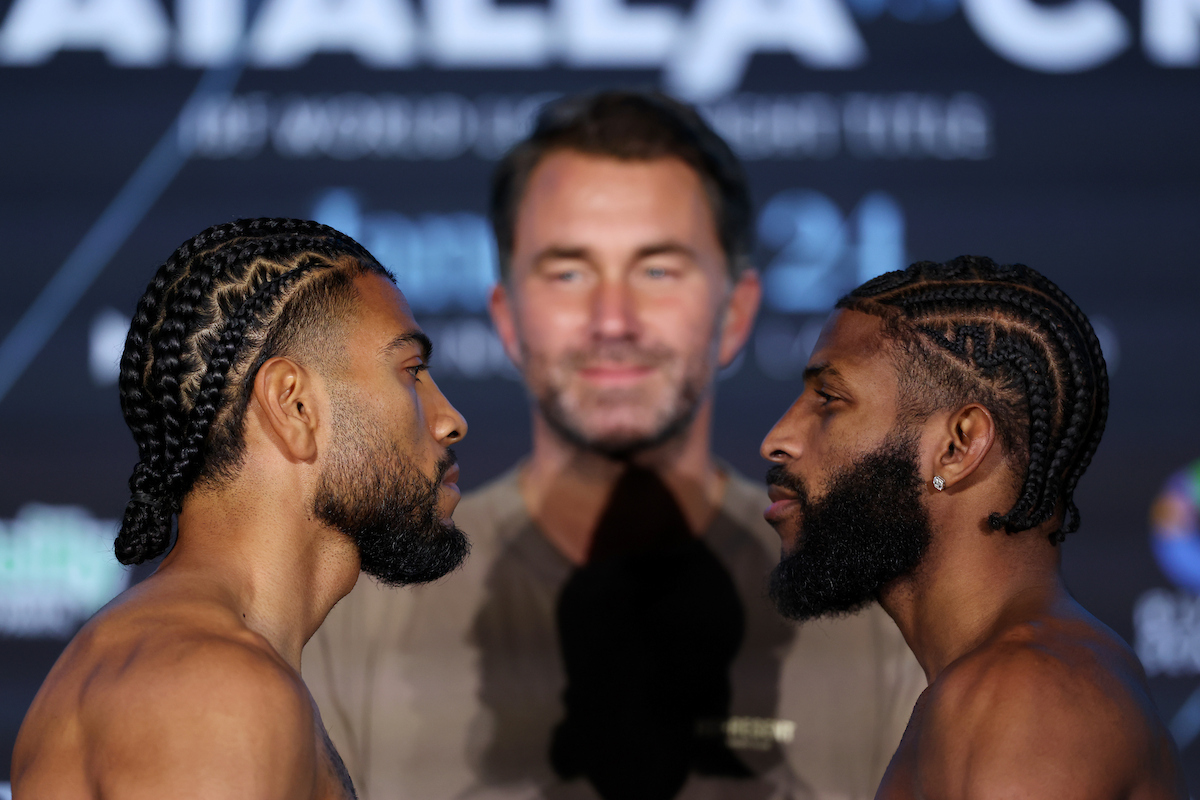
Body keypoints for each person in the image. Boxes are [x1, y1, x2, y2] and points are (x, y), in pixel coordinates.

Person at [305, 91, 926, 800]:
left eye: (658, 270)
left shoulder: (881, 611)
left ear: (736, 312)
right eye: (568, 272)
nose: (612, 320)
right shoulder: (352, 610)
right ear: (507, 318)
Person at [12, 218, 469, 799]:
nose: (450, 420)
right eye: (412, 372)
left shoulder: (175, 662)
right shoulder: (213, 689)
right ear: (294, 406)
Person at [761, 255, 1186, 797]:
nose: (777, 439)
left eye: (829, 399)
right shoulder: (1009, 683)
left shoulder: (1026, 694)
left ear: (958, 446)